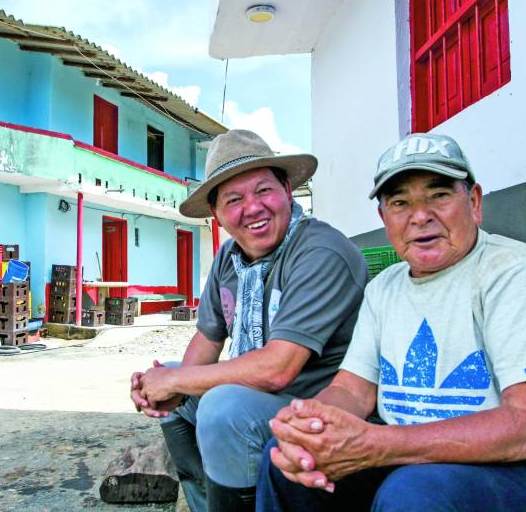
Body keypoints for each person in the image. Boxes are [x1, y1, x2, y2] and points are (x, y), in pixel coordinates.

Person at [259, 133, 526, 511]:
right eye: (400, 202)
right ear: (384, 218)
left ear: (475, 202)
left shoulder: (511, 271)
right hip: (420, 462)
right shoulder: (384, 287)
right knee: (287, 460)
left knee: (415, 492)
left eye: (439, 195)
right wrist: (310, 426)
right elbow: (352, 391)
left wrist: (377, 445)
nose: (420, 215)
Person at [130, 129, 367, 512]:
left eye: (263, 191)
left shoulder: (320, 252)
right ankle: (205, 502)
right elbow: (206, 341)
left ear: (287, 190)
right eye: (234, 200)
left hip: (317, 403)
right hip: (260, 395)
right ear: (217, 214)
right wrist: (164, 388)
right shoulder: (229, 258)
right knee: (175, 382)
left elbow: (278, 369)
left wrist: (177, 381)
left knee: (223, 408)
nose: (252, 208)